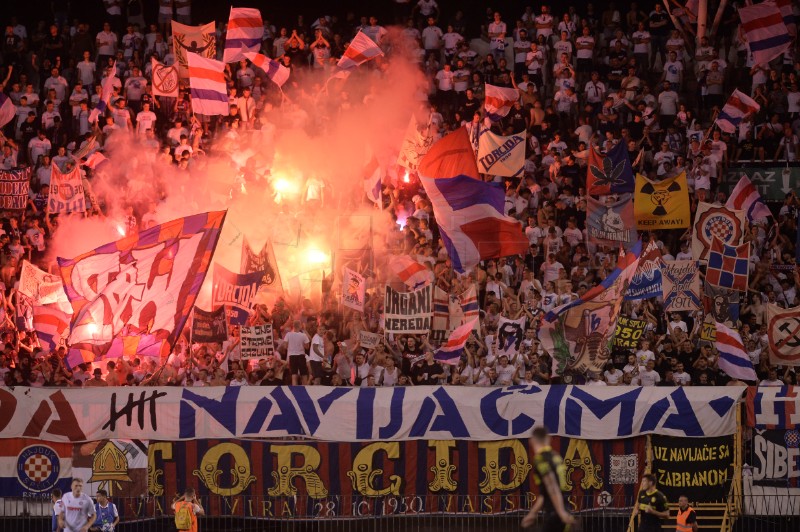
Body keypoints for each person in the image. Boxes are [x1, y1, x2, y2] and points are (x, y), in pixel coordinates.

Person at [521, 427, 575, 530]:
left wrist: (561, 513)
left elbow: (552, 488)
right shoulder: (556, 457)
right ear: (549, 439)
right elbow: (545, 493)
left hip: (556, 514)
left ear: (531, 441)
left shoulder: (541, 459)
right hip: (564, 509)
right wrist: (533, 513)